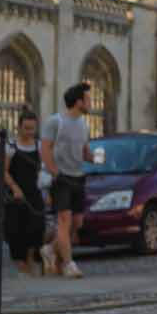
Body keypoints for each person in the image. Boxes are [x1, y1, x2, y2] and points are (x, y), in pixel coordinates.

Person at [41, 82, 92, 280]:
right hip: (61, 177)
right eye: (88, 99)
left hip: (78, 177)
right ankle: (69, 265)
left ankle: (49, 249)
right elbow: (45, 149)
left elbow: (84, 151)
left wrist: (94, 157)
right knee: (64, 221)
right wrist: (54, 172)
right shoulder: (56, 122)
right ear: (79, 101)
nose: (91, 103)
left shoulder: (84, 124)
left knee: (77, 223)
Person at [2, 111, 50, 274]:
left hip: (34, 192)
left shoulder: (39, 146)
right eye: (26, 128)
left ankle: (31, 259)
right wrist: (15, 188)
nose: (29, 132)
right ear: (19, 127)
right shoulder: (11, 146)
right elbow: (4, 171)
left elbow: (44, 171)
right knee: (16, 231)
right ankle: (21, 264)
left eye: (32, 128)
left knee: (36, 228)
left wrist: (47, 192)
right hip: (16, 194)